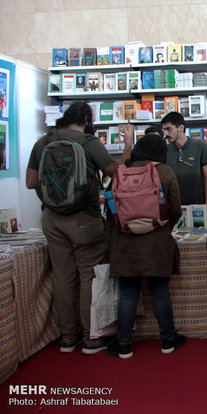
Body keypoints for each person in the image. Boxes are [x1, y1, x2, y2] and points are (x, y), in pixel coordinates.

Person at [25, 101, 131, 355]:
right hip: (84, 217)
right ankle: (91, 337)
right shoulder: (88, 142)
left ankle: (67, 337)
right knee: (89, 276)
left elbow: (30, 182)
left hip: (51, 218)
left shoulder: (42, 142)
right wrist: (128, 146)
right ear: (87, 118)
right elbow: (116, 173)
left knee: (63, 277)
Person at [106, 134, 185, 359]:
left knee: (128, 293)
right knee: (160, 292)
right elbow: (176, 209)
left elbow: (111, 208)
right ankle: (168, 340)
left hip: (125, 242)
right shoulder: (165, 172)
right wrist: (161, 227)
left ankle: (123, 345)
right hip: (157, 242)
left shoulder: (121, 171)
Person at [161, 111, 207, 205]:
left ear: (181, 128)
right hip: (174, 206)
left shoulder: (200, 146)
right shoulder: (165, 150)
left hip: (197, 205)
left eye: (169, 129)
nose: (165, 133)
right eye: (164, 130)